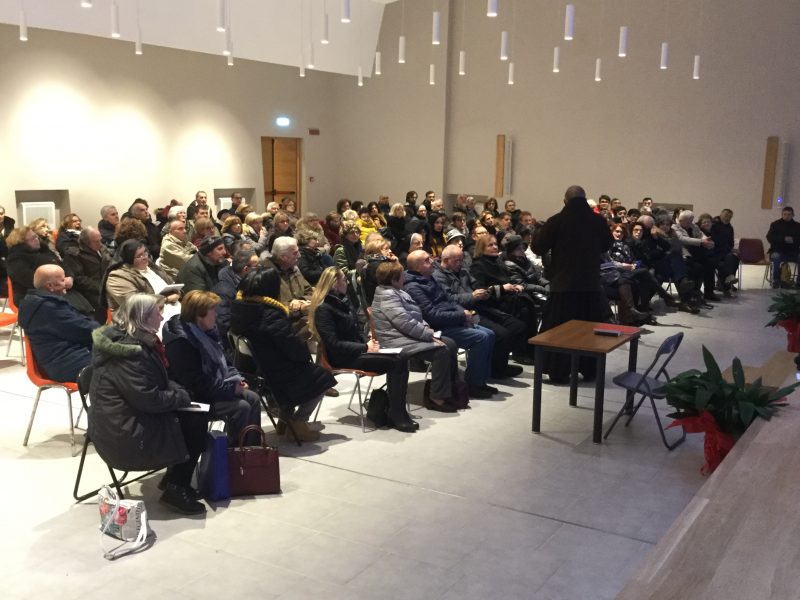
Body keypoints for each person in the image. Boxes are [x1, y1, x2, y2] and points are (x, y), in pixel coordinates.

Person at [90, 293, 208, 514]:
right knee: (194, 423)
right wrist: (182, 396)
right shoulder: (129, 353)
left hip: (127, 416)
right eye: (157, 313)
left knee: (194, 416)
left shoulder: (139, 342)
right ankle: (176, 487)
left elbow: (161, 380)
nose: (162, 318)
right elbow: (149, 398)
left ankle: (174, 479)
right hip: (122, 432)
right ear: (142, 318)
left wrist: (179, 392)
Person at [229, 268, 335, 442]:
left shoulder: (239, 309)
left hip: (256, 370)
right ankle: (298, 422)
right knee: (323, 377)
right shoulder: (270, 315)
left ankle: (285, 421)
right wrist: (302, 341)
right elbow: (295, 350)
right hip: (276, 373)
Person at [310, 267, 417, 432]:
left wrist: (370, 344)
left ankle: (396, 410)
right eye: (344, 280)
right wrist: (365, 347)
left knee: (402, 355)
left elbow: (356, 331)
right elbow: (333, 344)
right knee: (397, 361)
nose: (347, 283)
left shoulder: (343, 302)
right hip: (341, 357)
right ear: (334, 284)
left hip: (356, 352)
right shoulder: (323, 309)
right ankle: (397, 413)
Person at [531, 185, 613, 383]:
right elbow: (607, 245)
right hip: (589, 284)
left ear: (565, 201)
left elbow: (537, 247)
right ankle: (590, 370)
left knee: (560, 331)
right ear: (585, 199)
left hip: (563, 285)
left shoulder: (557, 220)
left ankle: (559, 371)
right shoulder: (598, 221)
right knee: (588, 328)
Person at [162, 290, 262, 446]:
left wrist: (236, 379)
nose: (216, 315)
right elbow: (195, 383)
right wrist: (230, 388)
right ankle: (234, 454)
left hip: (211, 387)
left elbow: (224, 361)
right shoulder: (181, 343)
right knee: (241, 407)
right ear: (199, 315)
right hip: (192, 396)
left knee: (253, 399)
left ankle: (251, 451)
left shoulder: (206, 332)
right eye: (213, 311)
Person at [404, 250, 497, 398]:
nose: (432, 262)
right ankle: (473, 384)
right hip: (438, 328)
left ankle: (480, 380)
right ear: (417, 267)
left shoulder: (429, 278)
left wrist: (464, 313)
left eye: (430, 258)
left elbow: (450, 300)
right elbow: (432, 316)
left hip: (452, 320)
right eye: (427, 260)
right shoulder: (413, 287)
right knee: (481, 338)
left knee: (490, 334)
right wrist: (461, 316)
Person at [371, 261, 458, 412]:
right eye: (401, 276)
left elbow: (415, 317)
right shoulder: (388, 296)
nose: (404, 278)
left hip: (405, 336)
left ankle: (448, 389)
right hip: (395, 341)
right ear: (394, 280)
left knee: (450, 343)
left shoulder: (397, 292)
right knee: (441, 351)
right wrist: (428, 335)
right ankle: (436, 398)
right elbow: (405, 323)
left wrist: (426, 329)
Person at [434, 245, 527, 376]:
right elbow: (450, 299)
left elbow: (477, 286)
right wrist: (472, 296)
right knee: (502, 334)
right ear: (445, 260)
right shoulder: (438, 276)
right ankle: (496, 370)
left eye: (461, 259)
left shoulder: (463, 271)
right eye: (457, 261)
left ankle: (497, 364)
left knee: (517, 326)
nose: (460, 263)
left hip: (480, 307)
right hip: (464, 313)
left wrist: (487, 292)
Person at [19, 265, 98, 382]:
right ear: (50, 286)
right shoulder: (49, 308)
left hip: (67, 358)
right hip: (68, 363)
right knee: (122, 365)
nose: (66, 282)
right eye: (62, 280)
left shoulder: (39, 302)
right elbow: (85, 330)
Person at [104, 239, 179, 313]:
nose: (145, 257)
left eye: (145, 252)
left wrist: (178, 292)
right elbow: (135, 304)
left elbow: (170, 282)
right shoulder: (117, 277)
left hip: (171, 308)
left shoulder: (150, 265)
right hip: (143, 317)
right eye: (139, 255)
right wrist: (165, 299)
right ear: (129, 259)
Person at [62, 226, 110, 323]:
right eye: (96, 241)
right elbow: (80, 279)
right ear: (86, 242)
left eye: (100, 239)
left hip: (105, 286)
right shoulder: (74, 254)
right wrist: (101, 289)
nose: (100, 243)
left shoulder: (102, 249)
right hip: (89, 292)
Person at [766, 206, 800, 289]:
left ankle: (798, 282)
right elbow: (769, 237)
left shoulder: (798, 226)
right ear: (782, 214)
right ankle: (776, 280)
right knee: (776, 257)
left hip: (793, 251)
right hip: (778, 250)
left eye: (789, 214)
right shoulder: (775, 224)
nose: (787, 216)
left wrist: (793, 240)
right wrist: (783, 239)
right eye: (785, 214)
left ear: (793, 215)